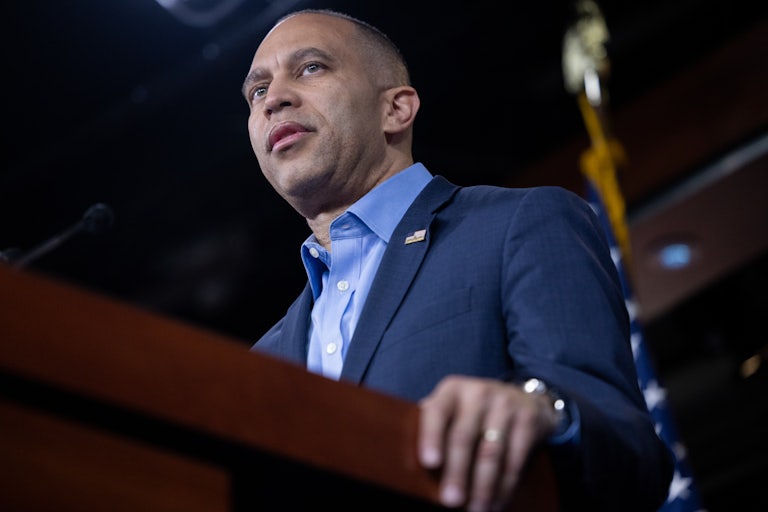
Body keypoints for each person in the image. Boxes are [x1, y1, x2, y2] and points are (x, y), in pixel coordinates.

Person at [243, 8, 674, 511]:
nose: (274, 99)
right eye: (256, 91)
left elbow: (628, 452)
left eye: (311, 67)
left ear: (396, 110)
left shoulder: (520, 224)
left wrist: (543, 409)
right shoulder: (261, 361)